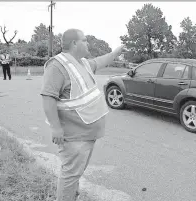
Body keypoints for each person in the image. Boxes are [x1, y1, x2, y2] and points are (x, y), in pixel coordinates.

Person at [40, 29, 125, 201]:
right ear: (74, 44)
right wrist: (56, 128)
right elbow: (48, 97)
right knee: (70, 175)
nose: (88, 43)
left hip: (86, 133)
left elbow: (101, 61)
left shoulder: (82, 63)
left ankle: (72, 197)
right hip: (74, 136)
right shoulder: (57, 65)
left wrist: (116, 52)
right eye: (85, 40)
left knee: (75, 174)